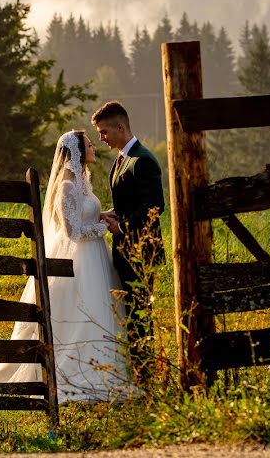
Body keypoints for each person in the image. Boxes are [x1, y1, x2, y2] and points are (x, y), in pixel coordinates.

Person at [0, 130, 134, 402]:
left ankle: (105, 368)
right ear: (75, 152)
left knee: (99, 309)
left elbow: (84, 212)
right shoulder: (66, 186)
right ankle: (77, 371)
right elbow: (72, 230)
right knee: (81, 311)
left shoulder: (83, 182)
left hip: (94, 257)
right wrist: (103, 228)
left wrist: (103, 215)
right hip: (78, 259)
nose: (93, 148)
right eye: (88, 145)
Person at [92, 101, 165, 381]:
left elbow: (154, 207)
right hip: (124, 250)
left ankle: (144, 376)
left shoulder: (142, 160)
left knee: (140, 315)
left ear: (120, 127)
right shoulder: (122, 159)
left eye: (104, 131)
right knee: (131, 313)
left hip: (141, 252)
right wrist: (112, 215)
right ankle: (137, 372)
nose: (102, 138)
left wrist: (122, 227)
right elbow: (129, 201)